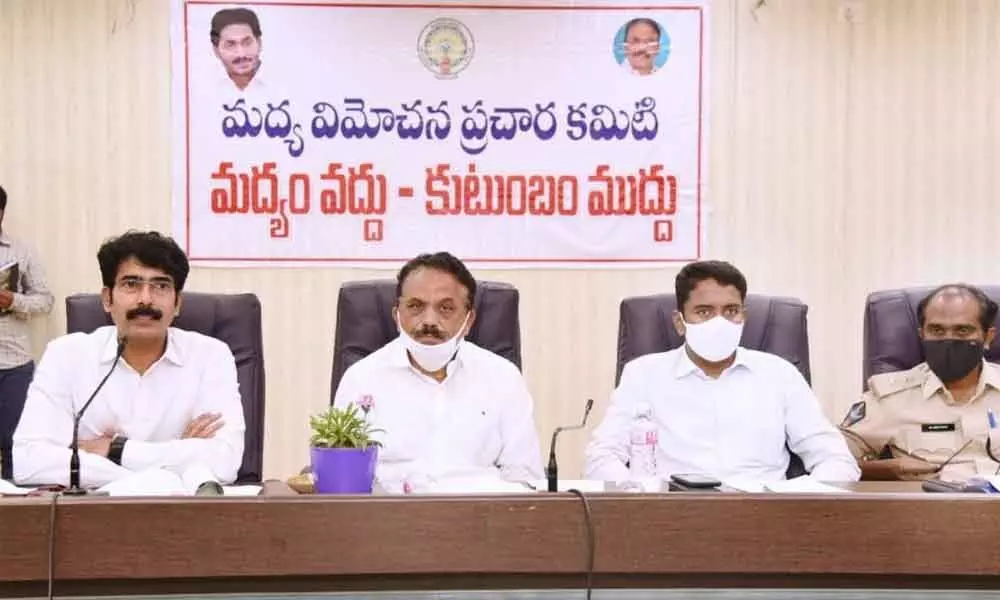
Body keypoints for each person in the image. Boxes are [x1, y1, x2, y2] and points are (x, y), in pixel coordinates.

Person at [585, 260, 860, 483]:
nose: (720, 322)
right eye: (704, 312)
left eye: (731, 311)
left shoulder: (779, 374)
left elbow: (837, 461)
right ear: (679, 322)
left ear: (744, 316)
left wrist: (793, 500)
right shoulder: (644, 375)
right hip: (672, 517)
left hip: (765, 519)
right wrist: (640, 495)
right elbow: (602, 457)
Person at [12, 231, 245, 488]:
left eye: (161, 286)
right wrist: (163, 473)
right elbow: (29, 463)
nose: (145, 298)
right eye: (131, 284)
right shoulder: (65, 356)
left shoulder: (211, 356)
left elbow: (225, 462)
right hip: (93, 515)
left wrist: (115, 450)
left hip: (184, 519)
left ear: (177, 303)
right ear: (107, 298)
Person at [332, 252, 542, 491]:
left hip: (479, 518)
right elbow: (344, 477)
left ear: (469, 320)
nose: (429, 321)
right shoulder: (361, 379)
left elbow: (524, 474)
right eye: (415, 306)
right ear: (396, 314)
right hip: (389, 519)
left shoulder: (503, 378)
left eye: (445, 308)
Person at [842, 284, 1000, 481]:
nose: (949, 339)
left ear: (988, 337)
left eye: (962, 330)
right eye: (937, 330)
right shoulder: (890, 398)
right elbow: (832, 461)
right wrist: (883, 470)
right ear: (922, 335)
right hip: (929, 508)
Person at [0, 185, 54, 480]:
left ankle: (13, 512)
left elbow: (46, 300)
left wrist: (14, 300)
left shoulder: (22, 251)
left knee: (15, 444)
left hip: (13, 363)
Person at [211, 7, 264, 93]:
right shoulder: (206, 89)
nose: (241, 54)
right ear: (216, 51)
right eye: (230, 45)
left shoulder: (285, 84)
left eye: (247, 43)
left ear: (259, 43)